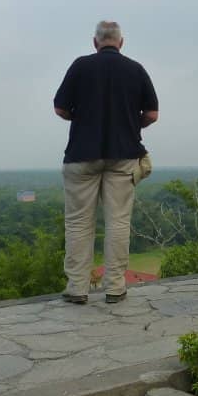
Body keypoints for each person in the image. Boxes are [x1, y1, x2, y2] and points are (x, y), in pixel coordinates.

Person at [53, 21, 158, 305]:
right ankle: (115, 286)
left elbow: (60, 108)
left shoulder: (80, 66)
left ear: (95, 42)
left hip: (81, 154)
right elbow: (152, 114)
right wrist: (130, 123)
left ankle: (77, 287)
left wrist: (80, 118)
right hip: (123, 154)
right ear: (121, 42)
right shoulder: (135, 69)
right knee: (118, 221)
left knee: (78, 223)